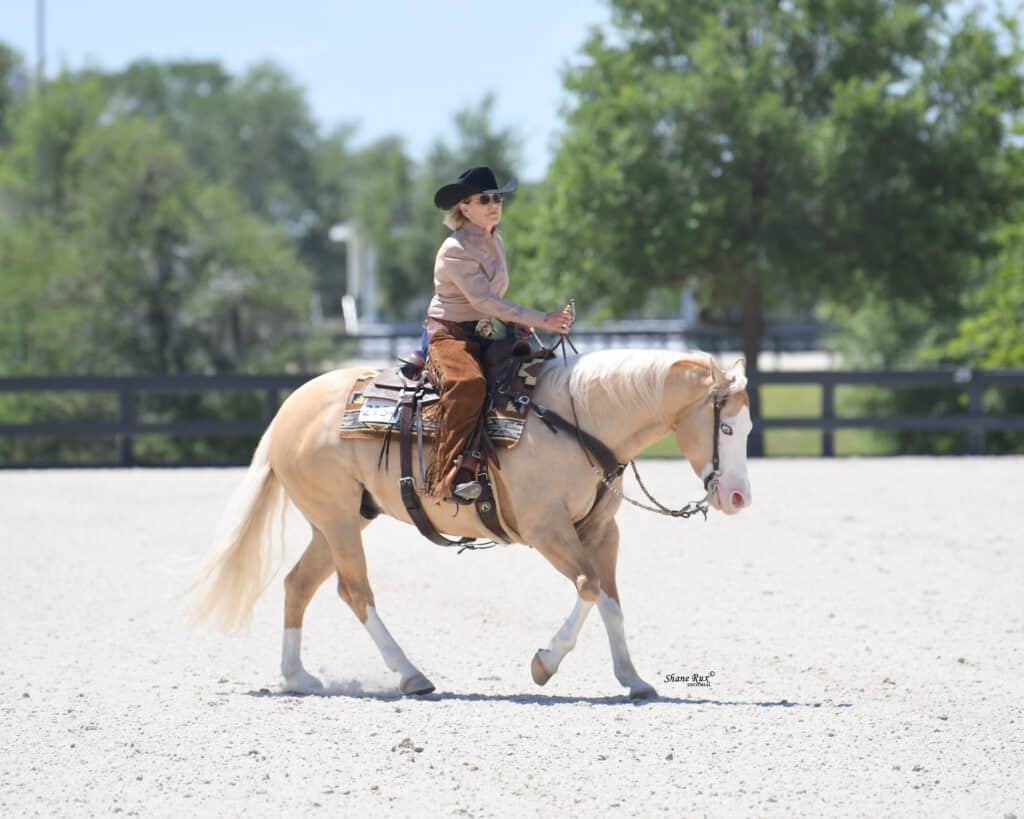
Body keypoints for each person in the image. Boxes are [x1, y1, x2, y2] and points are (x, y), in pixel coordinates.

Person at [425, 165, 573, 503]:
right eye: (485, 199)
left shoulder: (496, 240)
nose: (495, 204)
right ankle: (449, 476)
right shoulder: (454, 249)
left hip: (486, 331)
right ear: (464, 207)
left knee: (537, 373)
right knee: (469, 386)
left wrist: (517, 322)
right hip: (451, 335)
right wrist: (543, 318)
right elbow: (484, 300)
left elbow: (493, 301)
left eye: (497, 198)